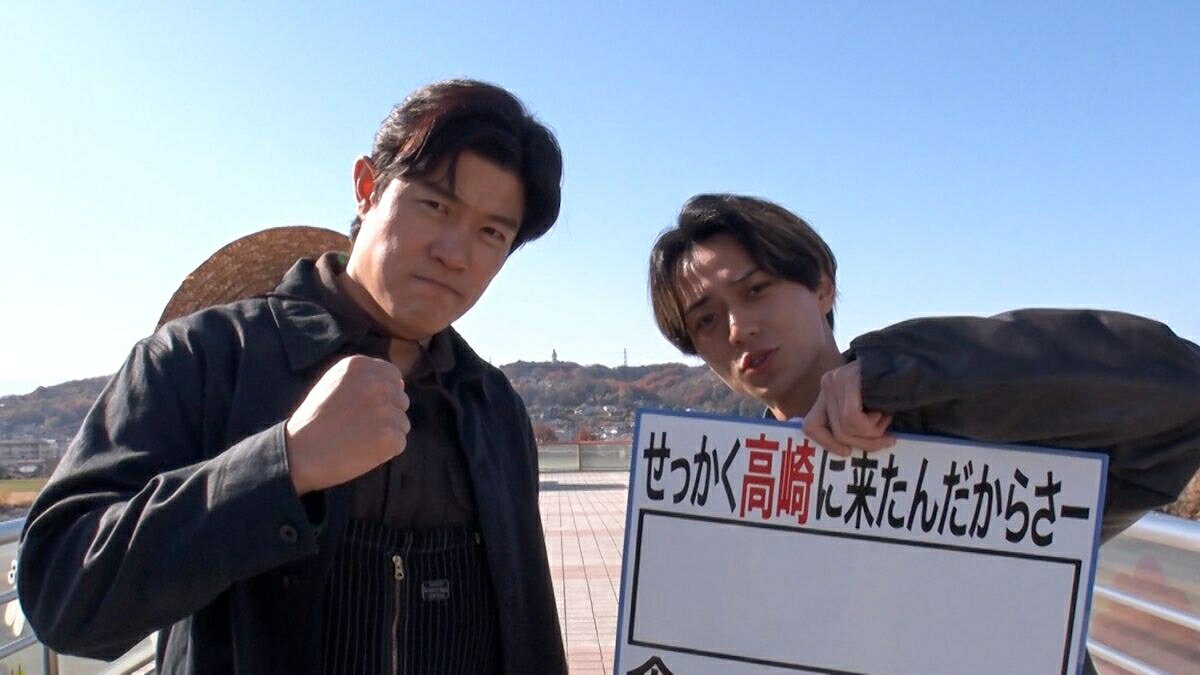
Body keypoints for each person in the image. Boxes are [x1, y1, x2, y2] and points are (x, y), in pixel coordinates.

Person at [19, 79, 567, 674]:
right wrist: (283, 465)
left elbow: (530, 625)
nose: (455, 254)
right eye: (435, 205)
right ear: (367, 188)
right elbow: (60, 595)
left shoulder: (492, 406)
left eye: (492, 233)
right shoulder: (203, 358)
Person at [648, 193, 1200, 670]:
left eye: (756, 290)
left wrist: (899, 376)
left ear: (821, 286)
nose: (738, 329)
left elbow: (1180, 393)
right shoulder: (726, 502)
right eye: (705, 321)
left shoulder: (964, 418)